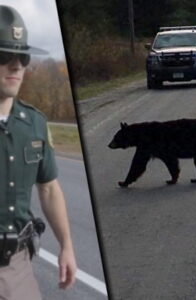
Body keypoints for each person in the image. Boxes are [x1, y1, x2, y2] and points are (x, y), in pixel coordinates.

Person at [0, 5, 77, 299]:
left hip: (17, 268)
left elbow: (48, 189)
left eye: (22, 57)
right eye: (5, 56)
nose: (16, 66)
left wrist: (66, 246)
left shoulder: (34, 124)